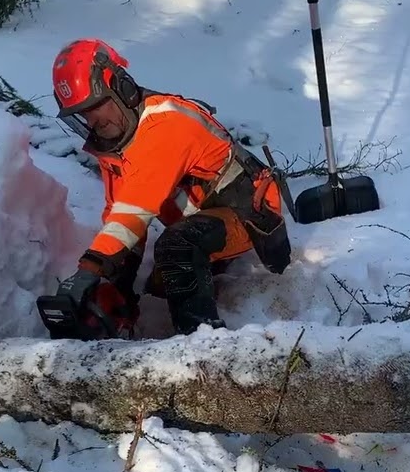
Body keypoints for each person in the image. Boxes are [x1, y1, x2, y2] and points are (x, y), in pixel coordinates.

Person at [45, 38, 290, 337]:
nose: (95, 121)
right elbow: (121, 218)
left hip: (248, 212)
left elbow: (134, 211)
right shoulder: (115, 144)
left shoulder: (165, 125)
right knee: (161, 288)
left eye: (98, 106)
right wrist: (113, 283)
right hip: (201, 219)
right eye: (84, 114)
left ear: (122, 87)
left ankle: (205, 342)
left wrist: (89, 268)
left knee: (177, 247)